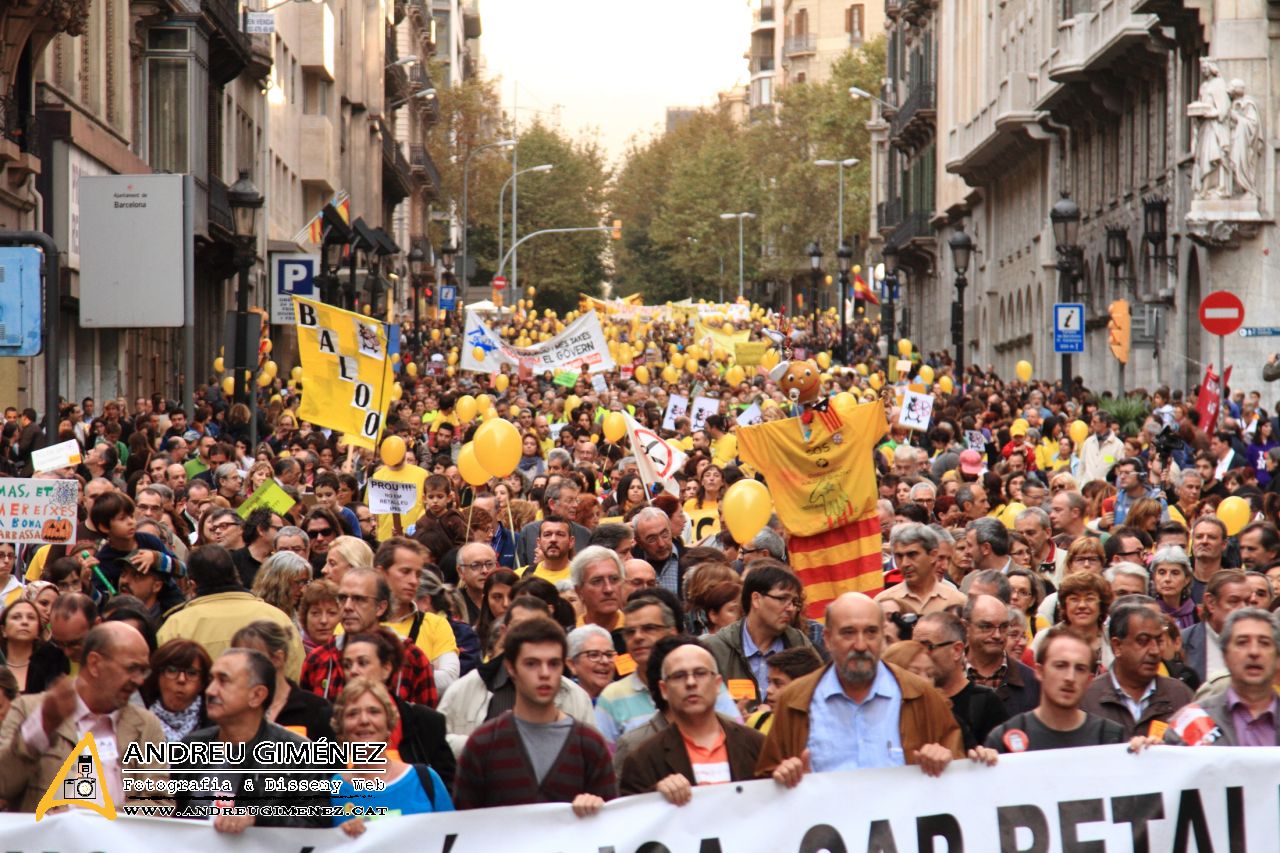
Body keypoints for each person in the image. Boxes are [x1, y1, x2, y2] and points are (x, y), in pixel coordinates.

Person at [756, 592, 967, 781]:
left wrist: (945, 760)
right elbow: (764, 785)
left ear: (883, 636)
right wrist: (784, 777)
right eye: (848, 633)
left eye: (870, 632)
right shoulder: (795, 701)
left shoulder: (921, 697)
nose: (860, 645)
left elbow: (958, 776)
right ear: (828, 639)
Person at [452, 617, 616, 814]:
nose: (544, 673)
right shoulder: (483, 744)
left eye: (553, 663)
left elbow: (612, 826)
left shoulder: (590, 745)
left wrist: (597, 808)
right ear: (511, 668)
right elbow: (465, 827)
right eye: (532, 664)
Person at [0, 623, 170, 811]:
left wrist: (95, 822)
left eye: (143, 670)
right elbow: (4, 784)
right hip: (44, 839)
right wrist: (43, 727)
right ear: (95, 663)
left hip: (113, 840)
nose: (139, 680)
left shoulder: (147, 725)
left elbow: (161, 803)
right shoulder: (29, 710)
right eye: (131, 668)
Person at [172, 648, 329, 831]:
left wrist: (258, 818)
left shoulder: (299, 755)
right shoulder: (191, 746)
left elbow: (316, 825)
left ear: (256, 696)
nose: (210, 690)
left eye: (223, 680)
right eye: (211, 680)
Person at [437, 596, 595, 755]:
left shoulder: (575, 697)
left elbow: (590, 756)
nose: (529, 637)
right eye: (520, 628)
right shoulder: (468, 688)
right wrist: (484, 745)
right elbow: (438, 746)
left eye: (537, 629)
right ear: (504, 632)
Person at [619, 640, 764, 802]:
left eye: (700, 673)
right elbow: (630, 818)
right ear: (664, 690)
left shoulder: (757, 745)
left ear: (717, 684)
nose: (690, 683)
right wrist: (656, 796)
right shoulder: (643, 760)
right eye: (679, 676)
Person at [328, 677, 454, 838]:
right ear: (341, 728)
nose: (364, 720)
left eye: (374, 711)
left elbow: (454, 841)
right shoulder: (333, 790)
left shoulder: (425, 779)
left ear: (389, 724)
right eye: (353, 714)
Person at [157, 545, 305, 680]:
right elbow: (296, 674)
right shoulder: (276, 618)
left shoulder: (176, 625)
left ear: (192, 585)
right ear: (235, 574)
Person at [299, 567, 437, 706]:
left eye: (359, 599)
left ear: (380, 608)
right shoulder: (318, 659)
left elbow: (426, 723)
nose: (347, 606)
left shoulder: (411, 658)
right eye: (342, 598)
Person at [338, 628, 455, 787]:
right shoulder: (327, 722)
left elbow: (448, 791)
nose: (353, 671)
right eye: (347, 665)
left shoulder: (426, 723)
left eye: (363, 662)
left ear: (386, 669)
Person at [985, 627, 1129, 752]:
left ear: (1089, 680)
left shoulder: (1111, 737)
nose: (1070, 677)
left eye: (1080, 669)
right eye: (1060, 666)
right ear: (1039, 671)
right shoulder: (1004, 739)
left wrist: (1143, 755)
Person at [704, 563, 812, 712]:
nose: (791, 608)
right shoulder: (714, 649)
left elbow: (816, 704)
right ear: (756, 599)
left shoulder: (799, 644)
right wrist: (736, 722)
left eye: (794, 602)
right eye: (782, 599)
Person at [1164, 609, 1279, 746]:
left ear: (1277, 657)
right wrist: (1146, 753)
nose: (1254, 652)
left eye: (1264, 643)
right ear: (1225, 656)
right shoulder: (1193, 720)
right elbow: (1166, 764)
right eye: (1242, 643)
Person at [1081, 602, 1194, 738]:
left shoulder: (1180, 695)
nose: (1154, 651)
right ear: (1117, 646)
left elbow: (1203, 750)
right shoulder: (1088, 699)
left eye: (1158, 641)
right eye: (1143, 641)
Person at [374, 538, 460, 692]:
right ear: (381, 573)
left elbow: (448, 679)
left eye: (418, 574)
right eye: (405, 572)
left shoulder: (435, 624)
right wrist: (425, 671)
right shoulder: (357, 623)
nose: (414, 581)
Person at [914, 611, 1009, 749]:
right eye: (913, 648)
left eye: (927, 647)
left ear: (957, 650)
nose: (918, 656)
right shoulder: (907, 700)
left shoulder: (985, 703)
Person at [231, 620, 334, 742]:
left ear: (278, 658)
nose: (241, 665)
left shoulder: (316, 709)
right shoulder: (234, 708)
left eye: (251, 657)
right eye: (237, 657)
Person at [964, 594, 1040, 715]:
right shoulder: (947, 676)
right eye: (986, 627)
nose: (997, 635)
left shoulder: (1033, 683)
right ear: (966, 628)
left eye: (1004, 627)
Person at [876, 523, 966, 615]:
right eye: (899, 556)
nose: (904, 563)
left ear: (932, 555)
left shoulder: (957, 601)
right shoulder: (883, 602)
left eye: (912, 555)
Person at [1181, 570, 1251, 683]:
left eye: (1248, 602)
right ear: (1211, 602)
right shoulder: (1183, 641)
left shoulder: (1261, 644)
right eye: (1234, 601)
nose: (1243, 609)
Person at [141, 638, 213, 741]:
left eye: (191, 673)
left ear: (202, 683)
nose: (181, 679)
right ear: (157, 676)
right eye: (172, 670)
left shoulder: (216, 722)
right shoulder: (137, 721)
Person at [572, 546, 628, 634]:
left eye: (614, 579)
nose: (608, 589)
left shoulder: (635, 632)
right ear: (579, 591)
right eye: (597, 581)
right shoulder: (567, 640)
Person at [565, 624, 616, 702]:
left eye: (609, 655)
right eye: (594, 655)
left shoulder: (626, 697)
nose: (605, 661)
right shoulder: (559, 702)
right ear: (572, 664)